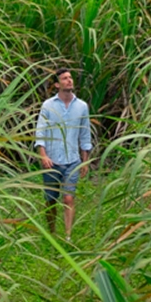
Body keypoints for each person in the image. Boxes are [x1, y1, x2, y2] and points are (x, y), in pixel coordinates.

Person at [34, 68, 92, 240]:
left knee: (68, 198)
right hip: (52, 160)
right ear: (57, 84)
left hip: (72, 160)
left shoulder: (82, 106)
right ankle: (51, 233)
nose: (69, 80)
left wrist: (85, 160)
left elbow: (85, 133)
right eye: (65, 78)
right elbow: (40, 132)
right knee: (51, 200)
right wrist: (43, 155)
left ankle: (68, 236)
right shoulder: (48, 105)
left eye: (70, 77)